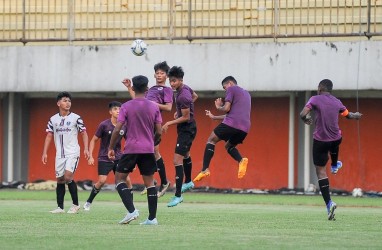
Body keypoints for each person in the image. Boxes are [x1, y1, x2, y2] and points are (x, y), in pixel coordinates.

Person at [300, 79, 362, 220]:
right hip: (335, 139)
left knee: (321, 171)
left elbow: (303, 114)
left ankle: (329, 203)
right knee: (335, 142)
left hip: (320, 141)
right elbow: (348, 115)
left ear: (320, 88)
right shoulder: (337, 102)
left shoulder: (314, 99)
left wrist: (306, 119)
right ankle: (334, 165)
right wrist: (356, 115)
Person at [108, 75, 162, 225]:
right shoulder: (154, 106)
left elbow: (118, 128)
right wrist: (154, 141)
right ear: (147, 88)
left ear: (133, 88)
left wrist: (111, 147)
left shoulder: (126, 106)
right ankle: (152, 219)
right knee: (150, 183)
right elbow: (159, 131)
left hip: (131, 149)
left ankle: (132, 211)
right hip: (148, 149)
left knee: (119, 179)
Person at [123, 61, 172, 198]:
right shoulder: (149, 90)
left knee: (154, 151)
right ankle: (152, 180)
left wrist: (151, 103)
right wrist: (129, 88)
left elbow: (168, 107)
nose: (159, 75)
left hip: (152, 124)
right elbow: (137, 101)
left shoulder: (166, 90)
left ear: (166, 76)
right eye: (157, 73)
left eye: (162, 73)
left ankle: (164, 181)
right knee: (143, 150)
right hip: (142, 123)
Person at [193, 76, 251, 183]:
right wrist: (214, 117)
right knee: (229, 146)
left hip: (232, 124)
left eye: (225, 88)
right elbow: (235, 114)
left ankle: (205, 169)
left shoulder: (231, 89)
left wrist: (219, 107)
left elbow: (226, 109)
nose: (226, 90)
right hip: (245, 128)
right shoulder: (247, 94)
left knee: (211, 140)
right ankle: (241, 160)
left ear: (229, 83)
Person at [42, 91, 89, 214]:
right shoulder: (53, 119)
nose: (68, 103)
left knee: (68, 177)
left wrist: (86, 149)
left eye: (69, 101)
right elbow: (49, 135)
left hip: (73, 152)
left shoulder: (76, 118)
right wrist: (45, 152)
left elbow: (84, 133)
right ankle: (60, 207)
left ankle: (75, 205)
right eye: (64, 100)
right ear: (58, 103)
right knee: (60, 179)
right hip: (60, 154)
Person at [83, 101, 132, 211]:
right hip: (104, 157)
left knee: (127, 180)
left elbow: (129, 141)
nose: (118, 111)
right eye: (115, 109)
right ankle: (88, 202)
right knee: (102, 181)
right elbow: (94, 140)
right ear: (110, 112)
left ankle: (131, 205)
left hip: (119, 157)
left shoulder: (124, 126)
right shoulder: (104, 125)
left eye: (120, 109)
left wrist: (130, 157)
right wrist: (90, 155)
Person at [162, 66, 198, 207]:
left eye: (174, 81)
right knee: (186, 155)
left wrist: (169, 122)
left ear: (181, 80)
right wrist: (182, 110)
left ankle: (178, 196)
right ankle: (188, 181)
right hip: (188, 128)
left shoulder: (182, 95)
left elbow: (186, 117)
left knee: (177, 160)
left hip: (187, 129)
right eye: (170, 81)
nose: (172, 84)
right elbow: (195, 96)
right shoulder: (185, 89)